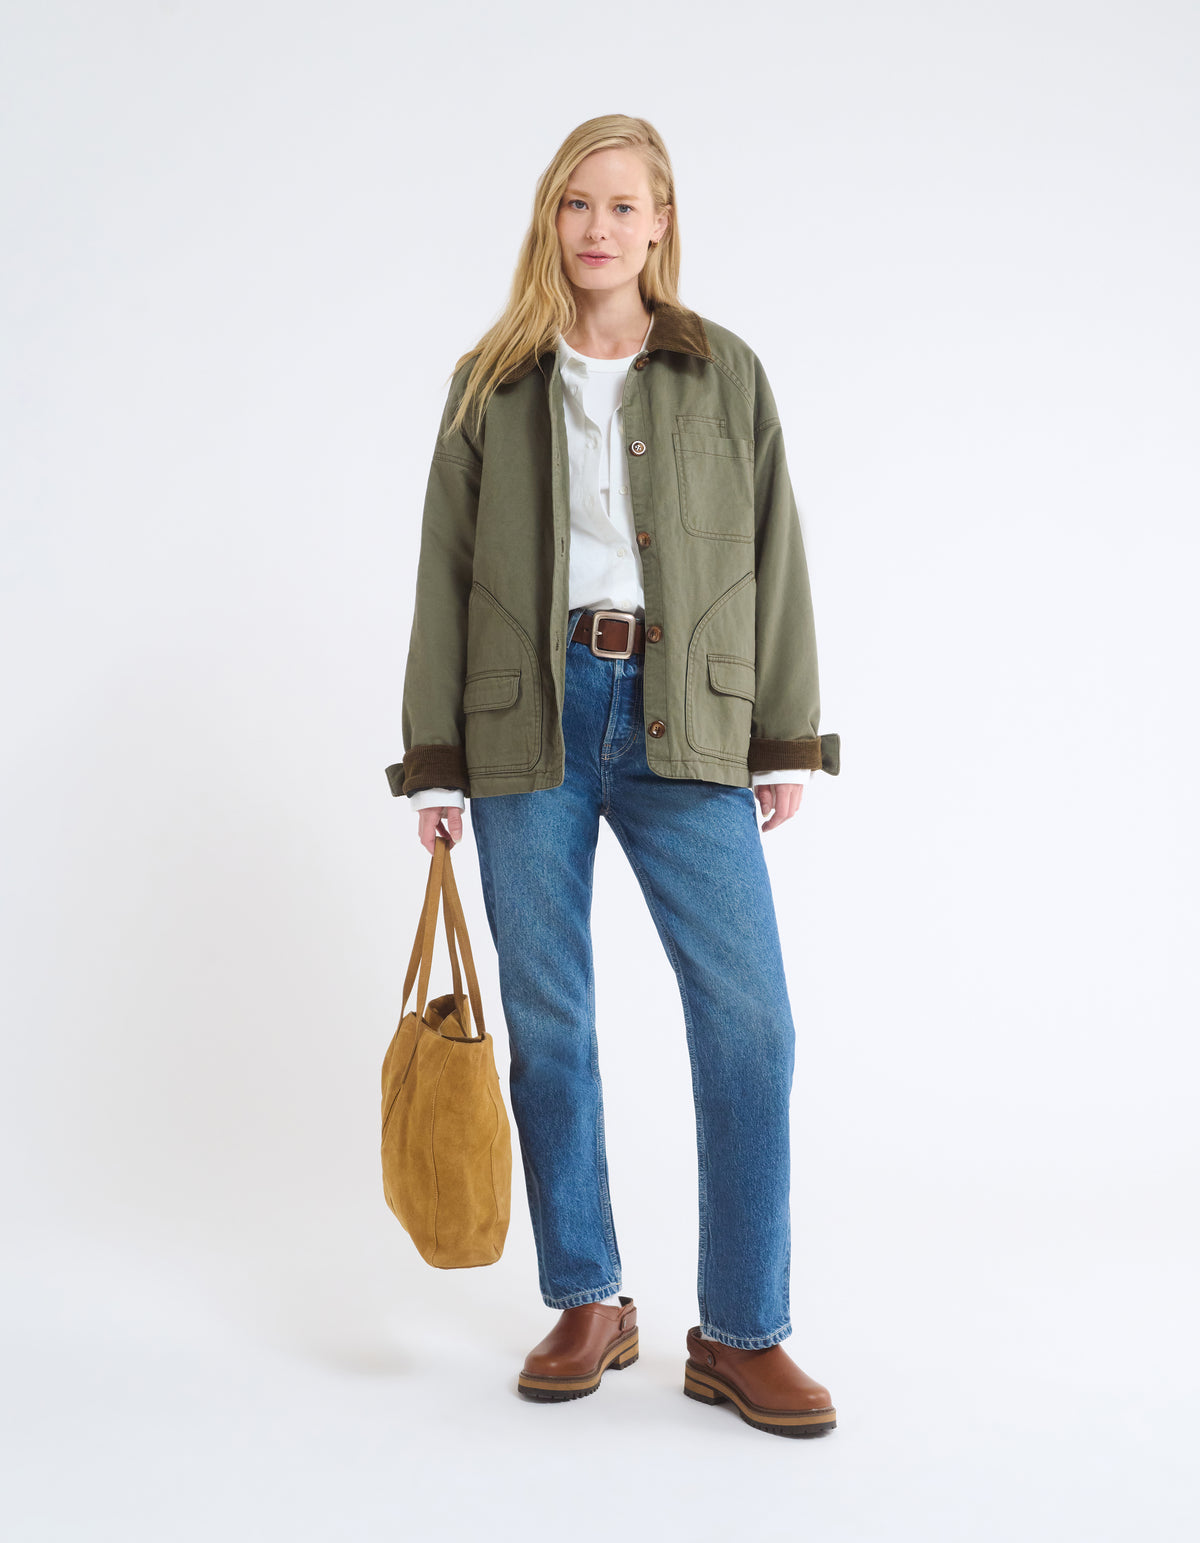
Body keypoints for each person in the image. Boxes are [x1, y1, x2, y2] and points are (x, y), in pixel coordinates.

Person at [386, 114, 841, 1438]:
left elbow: (777, 549)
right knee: (554, 1023)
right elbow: (443, 570)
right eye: (577, 204)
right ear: (553, 218)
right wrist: (435, 764)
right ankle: (588, 1297)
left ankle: (743, 1331)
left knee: (751, 1024)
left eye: (624, 206)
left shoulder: (722, 370)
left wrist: (784, 736)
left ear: (661, 223)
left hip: (683, 718)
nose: (598, 228)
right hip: (525, 720)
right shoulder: (491, 381)